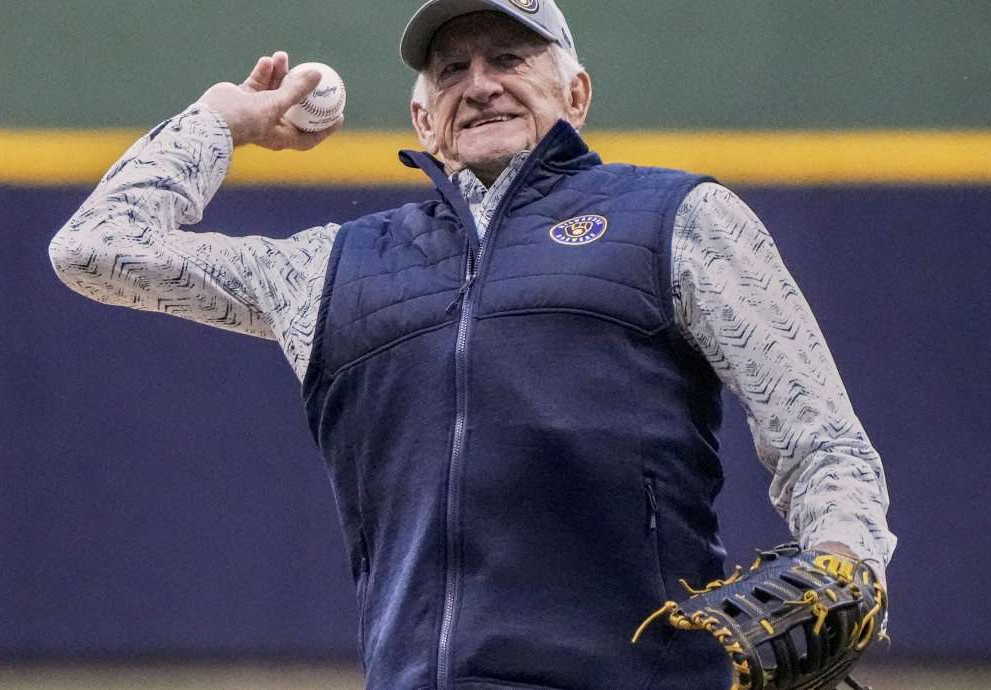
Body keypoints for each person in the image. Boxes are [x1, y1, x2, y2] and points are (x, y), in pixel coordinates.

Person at [48, 0, 896, 687]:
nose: (481, 83)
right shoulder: (332, 269)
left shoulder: (680, 221)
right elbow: (92, 251)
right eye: (453, 68)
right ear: (423, 113)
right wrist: (221, 121)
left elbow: (821, 438)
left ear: (577, 93)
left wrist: (846, 555)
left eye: (510, 57)